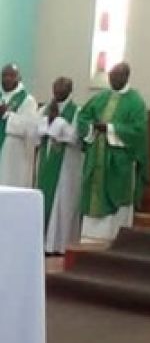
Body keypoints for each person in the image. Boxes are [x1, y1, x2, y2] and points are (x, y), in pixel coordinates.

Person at [77, 63, 149, 242]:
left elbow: (138, 132)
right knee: (93, 199)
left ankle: (113, 242)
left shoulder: (136, 102)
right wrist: (91, 128)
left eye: (116, 77)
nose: (112, 80)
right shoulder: (100, 97)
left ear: (126, 77)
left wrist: (109, 129)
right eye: (110, 76)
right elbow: (83, 117)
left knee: (116, 207)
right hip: (96, 158)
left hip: (118, 164)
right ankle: (88, 240)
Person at [36, 77, 82, 255]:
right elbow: (35, 133)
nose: (57, 91)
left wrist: (58, 123)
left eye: (62, 88)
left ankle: (60, 244)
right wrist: (46, 124)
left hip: (66, 168)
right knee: (46, 199)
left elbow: (76, 137)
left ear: (70, 90)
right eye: (55, 87)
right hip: (46, 161)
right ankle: (43, 243)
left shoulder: (77, 112)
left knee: (62, 204)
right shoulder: (45, 109)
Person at [0, 64, 40, 188]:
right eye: (4, 75)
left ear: (19, 78)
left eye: (11, 75)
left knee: (11, 186)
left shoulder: (28, 100)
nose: (7, 78)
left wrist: (7, 115)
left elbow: (30, 128)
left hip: (14, 155)